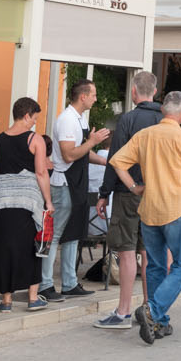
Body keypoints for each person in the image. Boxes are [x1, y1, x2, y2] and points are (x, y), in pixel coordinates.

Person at [108, 90, 181, 343]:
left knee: (154, 265)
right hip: (175, 209)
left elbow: (117, 162)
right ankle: (152, 310)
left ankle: (159, 323)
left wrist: (133, 187)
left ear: (163, 110)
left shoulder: (145, 135)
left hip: (149, 208)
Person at [95, 71, 165, 331]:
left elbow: (116, 159)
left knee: (126, 251)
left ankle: (123, 311)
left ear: (134, 92)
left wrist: (104, 193)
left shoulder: (128, 119)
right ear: (155, 92)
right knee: (149, 253)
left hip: (128, 192)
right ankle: (149, 309)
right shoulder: (165, 120)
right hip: (156, 194)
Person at [45, 79, 111, 301]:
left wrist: (104, 162)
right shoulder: (66, 120)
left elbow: (81, 152)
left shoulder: (79, 118)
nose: (95, 98)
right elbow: (69, 155)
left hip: (77, 183)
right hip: (64, 184)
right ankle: (45, 284)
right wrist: (92, 141)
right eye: (93, 94)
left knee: (73, 235)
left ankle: (70, 282)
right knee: (55, 235)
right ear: (83, 96)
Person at [0, 97, 52, 313]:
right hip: (28, 200)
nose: (35, 123)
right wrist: (48, 202)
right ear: (26, 115)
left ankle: (6, 301)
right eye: (34, 118)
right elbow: (41, 173)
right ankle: (33, 298)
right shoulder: (35, 139)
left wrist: (5, 174)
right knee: (31, 247)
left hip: (2, 200)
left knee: (4, 248)